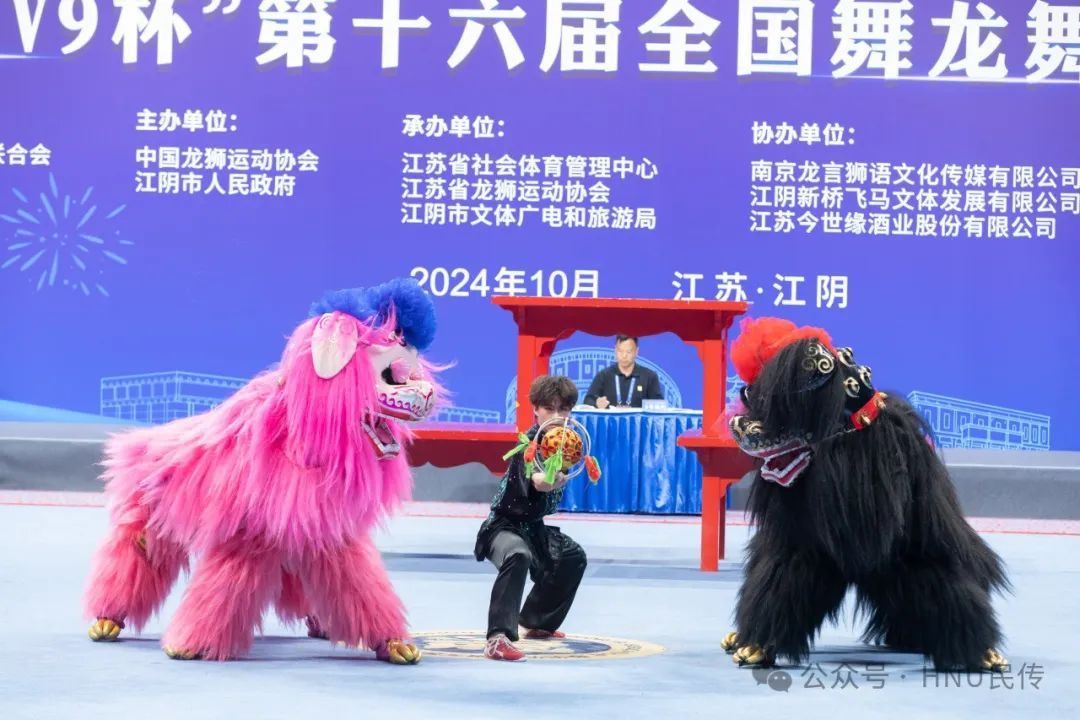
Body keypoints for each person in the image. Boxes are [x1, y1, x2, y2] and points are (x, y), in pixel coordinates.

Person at [473, 375, 588, 661]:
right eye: (550, 408)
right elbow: (538, 481)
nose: (557, 416)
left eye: (564, 409)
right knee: (517, 555)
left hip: (533, 528)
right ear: (536, 409)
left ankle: (537, 621)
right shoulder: (529, 446)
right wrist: (550, 480)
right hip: (502, 528)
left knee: (572, 556)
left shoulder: (566, 446)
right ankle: (497, 638)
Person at [583, 335, 664, 409]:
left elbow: (659, 405)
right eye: (620, 351)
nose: (624, 356)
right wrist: (597, 403)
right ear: (615, 350)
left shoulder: (649, 376)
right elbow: (588, 400)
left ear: (636, 352)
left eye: (628, 352)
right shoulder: (604, 375)